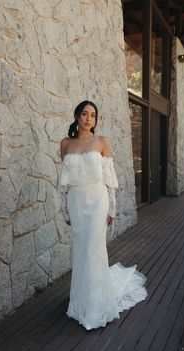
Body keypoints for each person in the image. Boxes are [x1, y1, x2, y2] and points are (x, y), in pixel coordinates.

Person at [58, 100, 147, 330]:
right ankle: (81, 303)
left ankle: (97, 307)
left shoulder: (102, 142)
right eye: (85, 114)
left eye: (93, 115)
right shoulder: (66, 144)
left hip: (98, 200)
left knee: (92, 249)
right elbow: (64, 181)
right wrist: (64, 208)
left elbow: (110, 179)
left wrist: (112, 208)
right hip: (76, 202)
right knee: (81, 251)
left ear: (96, 120)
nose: (89, 118)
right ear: (77, 116)